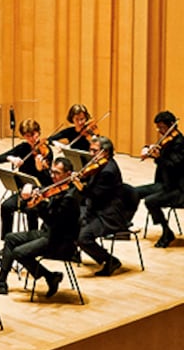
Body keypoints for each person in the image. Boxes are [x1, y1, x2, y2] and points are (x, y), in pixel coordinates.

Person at [0, 158, 80, 297]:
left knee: (19, 252)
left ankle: (50, 276)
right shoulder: (56, 187)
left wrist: (39, 205)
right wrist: (30, 197)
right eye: (52, 172)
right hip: (48, 233)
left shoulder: (70, 197)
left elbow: (53, 221)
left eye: (57, 173)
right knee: (10, 238)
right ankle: (0, 282)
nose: (53, 176)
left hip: (61, 241)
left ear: (68, 174)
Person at [77, 136, 133, 276]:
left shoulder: (108, 171)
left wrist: (79, 186)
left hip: (109, 215)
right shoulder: (99, 165)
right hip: (98, 208)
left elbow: (94, 195)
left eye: (94, 151)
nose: (91, 154)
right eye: (90, 150)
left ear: (105, 152)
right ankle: (71, 252)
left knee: (83, 238)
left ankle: (110, 260)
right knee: (70, 217)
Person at [0, 118, 54, 238]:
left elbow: (48, 179)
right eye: (27, 136)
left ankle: (32, 241)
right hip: (23, 190)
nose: (31, 139)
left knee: (31, 210)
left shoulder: (47, 151)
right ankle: (7, 240)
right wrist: (11, 158)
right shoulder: (23, 148)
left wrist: (40, 169)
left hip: (39, 190)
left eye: (33, 134)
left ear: (38, 132)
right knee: (6, 206)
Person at [136, 111, 184, 247]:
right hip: (163, 183)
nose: (160, 131)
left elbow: (175, 166)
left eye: (162, 128)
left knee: (151, 201)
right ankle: (124, 225)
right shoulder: (167, 140)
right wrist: (148, 149)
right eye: (158, 128)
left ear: (171, 126)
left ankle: (166, 232)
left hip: (177, 189)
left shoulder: (180, 143)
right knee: (132, 192)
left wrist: (158, 157)